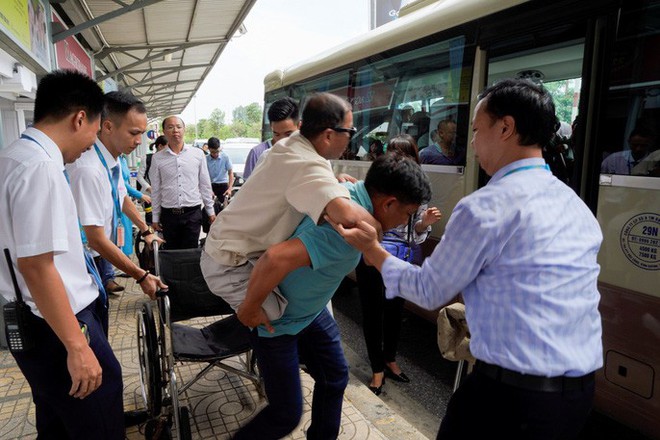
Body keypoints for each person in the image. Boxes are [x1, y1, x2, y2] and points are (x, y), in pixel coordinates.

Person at [330, 79, 603, 439]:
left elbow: (428, 290)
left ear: (505, 128)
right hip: (578, 395)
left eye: (476, 130)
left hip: (512, 397)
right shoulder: (575, 205)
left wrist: (373, 250)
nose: (471, 143)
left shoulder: (486, 207)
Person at [235, 155, 432, 439]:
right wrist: (250, 308)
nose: (407, 221)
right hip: (279, 321)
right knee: (286, 414)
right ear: (388, 203)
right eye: (408, 213)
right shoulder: (345, 233)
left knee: (335, 376)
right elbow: (275, 259)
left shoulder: (349, 194)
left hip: (311, 313)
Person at [0, 70, 124, 438]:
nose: (91, 143)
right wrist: (77, 346)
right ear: (79, 118)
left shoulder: (13, 157)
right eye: (95, 131)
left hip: (30, 320)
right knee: (97, 419)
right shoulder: (41, 167)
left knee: (57, 422)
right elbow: (37, 266)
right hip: (59, 322)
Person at [201, 92, 381, 321]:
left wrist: (335, 184)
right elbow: (349, 216)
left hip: (237, 249)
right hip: (230, 262)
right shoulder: (305, 162)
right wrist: (377, 228)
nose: (351, 139)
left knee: (310, 316)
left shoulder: (291, 149)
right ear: (328, 135)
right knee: (274, 315)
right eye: (351, 132)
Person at [356, 134, 441, 395]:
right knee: (372, 314)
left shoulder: (416, 189)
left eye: (405, 155)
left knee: (394, 313)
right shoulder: (374, 189)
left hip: (401, 258)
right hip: (372, 258)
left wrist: (424, 223)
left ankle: (390, 360)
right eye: (393, 153)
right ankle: (377, 370)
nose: (399, 160)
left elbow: (415, 234)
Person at [66, 91, 166, 300]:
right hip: (84, 258)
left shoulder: (112, 162)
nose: (139, 141)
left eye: (142, 133)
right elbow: (95, 240)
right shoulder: (88, 169)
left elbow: (122, 199)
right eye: (133, 133)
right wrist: (140, 275)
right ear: (108, 126)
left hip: (101, 254)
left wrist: (146, 230)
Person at [149, 115, 215, 249]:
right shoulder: (157, 158)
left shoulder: (198, 154)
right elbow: (156, 189)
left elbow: (205, 184)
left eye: (179, 127)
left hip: (192, 214)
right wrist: (155, 218)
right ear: (164, 131)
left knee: (190, 253)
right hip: (169, 216)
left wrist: (211, 211)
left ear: (184, 130)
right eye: (170, 127)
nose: (175, 131)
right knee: (171, 253)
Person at [243, 97, 300, 180]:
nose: (282, 141)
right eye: (276, 134)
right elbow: (247, 190)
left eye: (288, 134)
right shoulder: (257, 154)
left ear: (299, 126)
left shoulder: (307, 153)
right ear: (271, 127)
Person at [136, 135, 168, 224]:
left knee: (164, 221)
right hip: (149, 197)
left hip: (164, 196)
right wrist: (149, 188)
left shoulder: (169, 159)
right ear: (160, 146)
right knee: (151, 220)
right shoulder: (147, 158)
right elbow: (139, 177)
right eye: (168, 147)